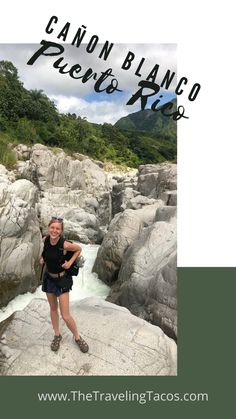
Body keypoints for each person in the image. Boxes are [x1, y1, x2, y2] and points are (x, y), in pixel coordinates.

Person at [39, 216, 89, 353]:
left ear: (61, 231)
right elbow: (46, 252)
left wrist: (70, 262)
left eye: (57, 229)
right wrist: (43, 258)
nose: (54, 231)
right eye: (52, 228)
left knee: (66, 315)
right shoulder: (46, 240)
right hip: (49, 278)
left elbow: (78, 249)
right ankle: (57, 335)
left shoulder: (64, 244)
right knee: (53, 309)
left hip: (62, 280)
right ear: (49, 228)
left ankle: (77, 337)